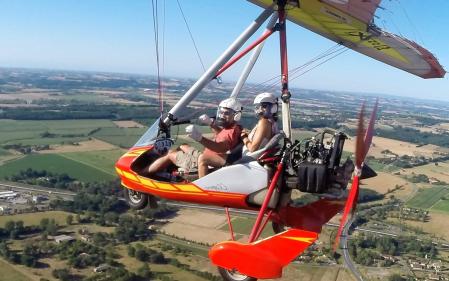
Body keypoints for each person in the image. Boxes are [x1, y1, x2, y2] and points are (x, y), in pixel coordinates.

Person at [148, 98, 242, 179]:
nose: (222, 116)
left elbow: (220, 147)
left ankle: (144, 173)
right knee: (183, 146)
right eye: (221, 112)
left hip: (205, 161)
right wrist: (211, 124)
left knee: (170, 154)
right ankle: (166, 168)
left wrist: (199, 138)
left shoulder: (231, 132)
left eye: (226, 113)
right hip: (208, 155)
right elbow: (222, 135)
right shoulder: (233, 128)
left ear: (236, 116)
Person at [240, 92, 279, 157]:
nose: (260, 109)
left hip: (248, 159)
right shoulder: (273, 123)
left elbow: (252, 149)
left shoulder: (264, 122)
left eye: (264, 106)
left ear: (273, 108)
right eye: (258, 106)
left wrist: (243, 137)